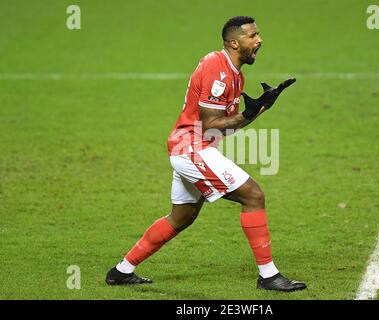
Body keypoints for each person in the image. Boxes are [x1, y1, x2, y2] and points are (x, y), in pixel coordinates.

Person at [106, 16, 307, 292]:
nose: (259, 40)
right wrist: (248, 113)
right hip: (191, 148)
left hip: (193, 147)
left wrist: (260, 108)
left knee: (182, 217)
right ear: (234, 42)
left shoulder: (235, 74)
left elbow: (224, 128)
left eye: (259, 34)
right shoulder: (217, 68)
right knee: (253, 196)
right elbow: (210, 124)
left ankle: (121, 271)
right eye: (253, 35)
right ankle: (269, 276)